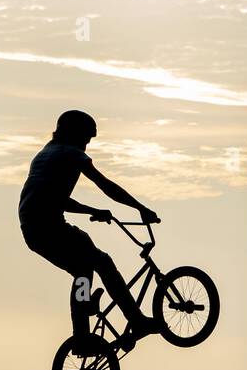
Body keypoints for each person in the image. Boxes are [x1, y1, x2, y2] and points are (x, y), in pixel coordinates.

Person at [19, 110, 161, 353]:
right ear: (74, 134)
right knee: (102, 262)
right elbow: (106, 185)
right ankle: (135, 320)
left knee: (83, 269)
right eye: (86, 138)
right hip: (49, 227)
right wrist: (140, 208)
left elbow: (54, 200)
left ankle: (83, 332)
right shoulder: (70, 154)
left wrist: (92, 210)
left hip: (34, 229)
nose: (86, 145)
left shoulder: (45, 154)